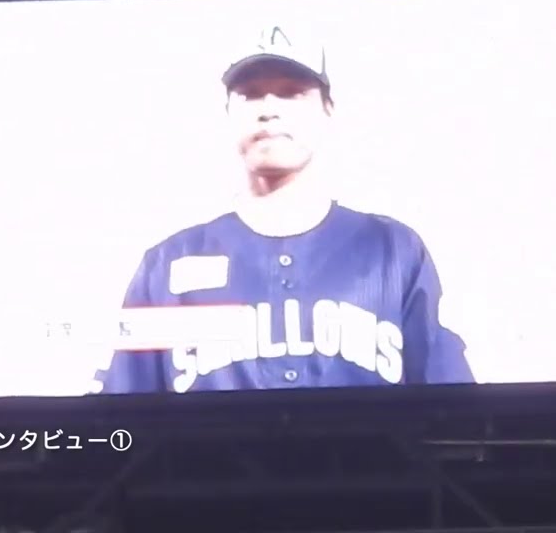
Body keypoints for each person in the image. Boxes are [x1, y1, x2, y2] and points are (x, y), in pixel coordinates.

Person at [94, 25, 474, 394]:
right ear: (227, 112)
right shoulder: (167, 264)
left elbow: (455, 412)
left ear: (327, 110)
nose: (270, 110)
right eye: (250, 94)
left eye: (292, 93)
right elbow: (119, 419)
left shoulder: (394, 251)